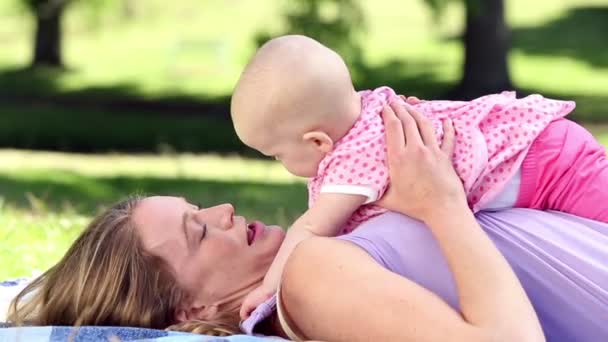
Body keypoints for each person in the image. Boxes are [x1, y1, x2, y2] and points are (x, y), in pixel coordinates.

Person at [7, 103, 608, 341]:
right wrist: (441, 204)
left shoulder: (323, 250)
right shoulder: (311, 278)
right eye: (197, 231)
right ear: (187, 310)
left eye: (199, 207)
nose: (221, 212)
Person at [230, 34, 608, 316]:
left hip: (549, 165)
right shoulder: (368, 108)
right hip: (542, 152)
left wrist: (269, 287)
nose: (281, 164)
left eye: (277, 154)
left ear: (316, 141)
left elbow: (311, 230)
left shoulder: (352, 161)